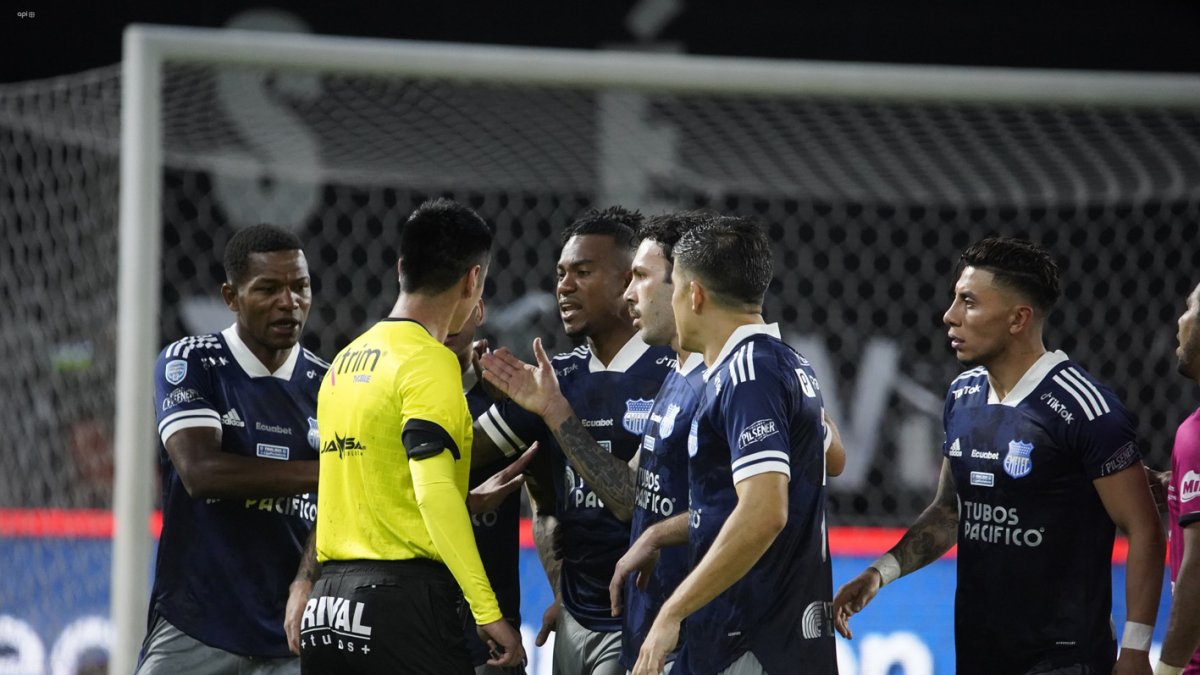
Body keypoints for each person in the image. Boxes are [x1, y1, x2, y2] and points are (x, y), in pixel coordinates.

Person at [833, 237, 1164, 675]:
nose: (949, 316)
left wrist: (1137, 649)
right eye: (955, 299)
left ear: (1018, 319)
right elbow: (951, 511)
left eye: (967, 302)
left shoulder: (1084, 408)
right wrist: (879, 572)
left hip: (1064, 658)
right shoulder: (962, 396)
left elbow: (1143, 526)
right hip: (979, 652)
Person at [299, 199, 524, 674]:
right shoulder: (430, 361)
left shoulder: (343, 362)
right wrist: (487, 611)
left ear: (402, 267)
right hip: (400, 606)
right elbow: (433, 491)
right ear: (472, 280)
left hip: (328, 607)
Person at [633, 216, 837, 675]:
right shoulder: (786, 362)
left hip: (753, 640)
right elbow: (833, 455)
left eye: (677, 287)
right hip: (771, 636)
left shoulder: (747, 375)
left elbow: (765, 511)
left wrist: (672, 611)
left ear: (695, 294)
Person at [474, 206, 674, 675]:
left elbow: (631, 500)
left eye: (583, 272)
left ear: (630, 283)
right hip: (575, 623)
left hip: (646, 621)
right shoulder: (555, 377)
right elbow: (465, 456)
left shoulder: (675, 377)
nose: (564, 286)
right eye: (561, 274)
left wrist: (556, 412)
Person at [138, 223, 329, 675]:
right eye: (268, 289)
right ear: (231, 297)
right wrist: (332, 470)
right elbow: (201, 472)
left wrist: (307, 580)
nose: (289, 302)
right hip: (195, 625)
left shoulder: (330, 385)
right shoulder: (192, 362)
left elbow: (340, 507)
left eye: (300, 286)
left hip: (290, 634)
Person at [445, 299, 527, 675]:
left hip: (494, 635)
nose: (442, 320)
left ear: (478, 309)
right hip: (414, 626)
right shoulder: (388, 396)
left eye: (452, 304)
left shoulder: (504, 396)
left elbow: (545, 491)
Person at [1157, 280, 1200, 675]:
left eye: (1190, 308)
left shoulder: (1197, 436)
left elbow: (1198, 567)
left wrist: (1168, 670)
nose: (1180, 320)